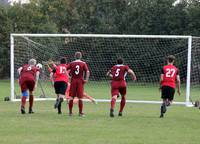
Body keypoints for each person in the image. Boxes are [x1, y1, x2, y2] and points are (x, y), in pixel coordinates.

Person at [67, 52, 90, 116]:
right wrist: (86, 79)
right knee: (80, 98)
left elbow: (65, 69)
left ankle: (70, 113)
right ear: (81, 56)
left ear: (75, 56)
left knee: (71, 97)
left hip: (73, 81)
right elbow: (87, 71)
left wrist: (68, 76)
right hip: (80, 81)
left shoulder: (71, 63)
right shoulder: (83, 63)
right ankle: (80, 113)